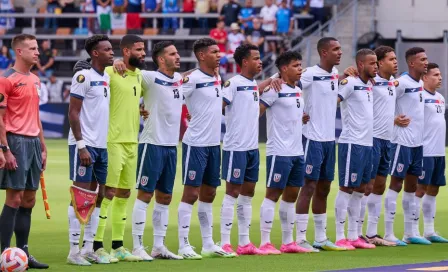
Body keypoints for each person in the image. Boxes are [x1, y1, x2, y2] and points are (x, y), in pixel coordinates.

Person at [177, 38, 236, 259]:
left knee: (209, 193)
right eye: (214, 52)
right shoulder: (191, 79)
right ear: (202, 55)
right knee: (191, 193)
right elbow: (174, 97)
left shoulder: (217, 77)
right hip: (195, 144)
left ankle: (208, 244)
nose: (219, 55)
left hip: (213, 144)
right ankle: (183, 245)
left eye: (219, 51)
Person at [93, 34, 146, 262]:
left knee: (125, 193)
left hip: (132, 141)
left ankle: (118, 246)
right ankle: (96, 246)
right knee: (108, 192)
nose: (143, 53)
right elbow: (89, 76)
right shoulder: (110, 72)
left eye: (143, 49)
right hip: (112, 141)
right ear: (125, 51)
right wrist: (112, 64)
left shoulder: (139, 76)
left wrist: (140, 110)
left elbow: (133, 101)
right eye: (138, 49)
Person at [130, 41, 184, 260]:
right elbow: (127, 82)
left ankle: (159, 246)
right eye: (173, 54)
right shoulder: (148, 77)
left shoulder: (180, 79)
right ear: (161, 59)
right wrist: (117, 63)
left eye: (177, 52)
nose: (178, 56)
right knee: (145, 195)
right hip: (152, 144)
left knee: (165, 197)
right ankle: (137, 246)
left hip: (171, 147)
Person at [66, 34, 116, 266]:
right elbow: (73, 113)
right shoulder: (82, 76)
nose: (112, 52)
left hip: (101, 146)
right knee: (80, 196)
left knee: (98, 196)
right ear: (95, 53)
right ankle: (73, 251)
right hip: (85, 146)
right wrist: (81, 146)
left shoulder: (105, 76)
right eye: (107, 49)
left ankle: (88, 248)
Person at [0, 34, 48, 269]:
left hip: (33, 143)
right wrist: (4, 149)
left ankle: (24, 253)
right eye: (32, 48)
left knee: (29, 200)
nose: (37, 52)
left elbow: (36, 115)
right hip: (15, 142)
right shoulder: (5, 79)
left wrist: (43, 145)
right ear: (19, 52)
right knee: (15, 198)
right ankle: (4, 255)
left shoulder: (36, 79)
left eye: (37, 48)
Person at [294, 37, 345, 252]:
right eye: (335, 49)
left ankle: (321, 238)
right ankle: (300, 238)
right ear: (324, 52)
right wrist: (298, 112)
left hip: (328, 140)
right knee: (309, 187)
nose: (340, 52)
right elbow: (287, 84)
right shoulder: (309, 74)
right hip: (311, 139)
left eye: (340, 48)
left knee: (324, 188)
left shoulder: (334, 75)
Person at [258, 51, 311, 254]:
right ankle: (264, 242)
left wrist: (301, 118)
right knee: (273, 194)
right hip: (279, 151)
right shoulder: (274, 89)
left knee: (291, 195)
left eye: (300, 65)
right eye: (296, 66)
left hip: (297, 151)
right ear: (284, 69)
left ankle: (289, 242)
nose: (300, 69)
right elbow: (257, 111)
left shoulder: (297, 88)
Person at [219, 44, 263, 255]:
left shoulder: (253, 83)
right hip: (235, 147)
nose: (260, 61)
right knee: (232, 193)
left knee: (248, 194)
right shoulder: (233, 83)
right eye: (256, 58)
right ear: (245, 62)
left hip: (252, 148)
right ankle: (225, 242)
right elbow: (218, 105)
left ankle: (244, 242)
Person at [384, 47, 429, 245]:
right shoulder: (400, 83)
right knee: (396, 184)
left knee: (412, 187)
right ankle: (388, 233)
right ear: (412, 63)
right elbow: (382, 102)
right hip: (401, 142)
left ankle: (410, 233)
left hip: (417, 143)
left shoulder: (419, 82)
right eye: (422, 59)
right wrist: (393, 119)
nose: (426, 62)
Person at [334, 49, 377, 250]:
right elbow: (332, 101)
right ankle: (340, 236)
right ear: (360, 64)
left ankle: (354, 236)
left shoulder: (369, 85)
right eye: (372, 63)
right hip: (352, 143)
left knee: (361, 189)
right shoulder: (349, 83)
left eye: (377, 62)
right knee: (346, 188)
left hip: (368, 143)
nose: (375, 66)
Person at [361, 46, 401, 246]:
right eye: (391, 59)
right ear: (380, 62)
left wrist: (394, 120)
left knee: (379, 186)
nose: (395, 62)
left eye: (395, 58)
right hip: (373, 139)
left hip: (388, 139)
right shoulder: (370, 81)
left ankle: (371, 233)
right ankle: (356, 233)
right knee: (366, 186)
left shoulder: (393, 83)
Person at [414, 63, 448, 243]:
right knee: (420, 189)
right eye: (435, 74)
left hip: (439, 152)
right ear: (424, 77)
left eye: (440, 74)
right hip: (424, 151)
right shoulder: (419, 95)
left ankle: (429, 231)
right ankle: (412, 231)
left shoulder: (440, 98)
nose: (440, 77)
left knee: (433, 190)